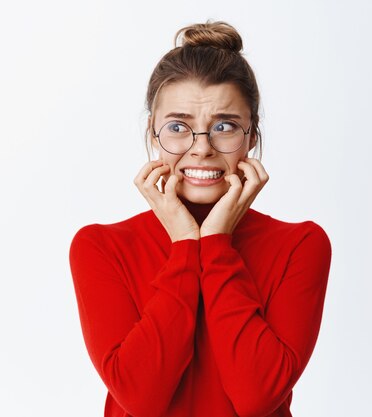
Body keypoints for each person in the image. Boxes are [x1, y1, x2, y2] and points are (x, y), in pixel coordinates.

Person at [69, 20, 332, 417]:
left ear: (252, 137)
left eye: (224, 126)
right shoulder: (99, 247)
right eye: (178, 127)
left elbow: (256, 397)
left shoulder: (301, 245)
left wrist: (215, 244)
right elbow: (141, 399)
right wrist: (184, 245)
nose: (201, 149)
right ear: (152, 135)